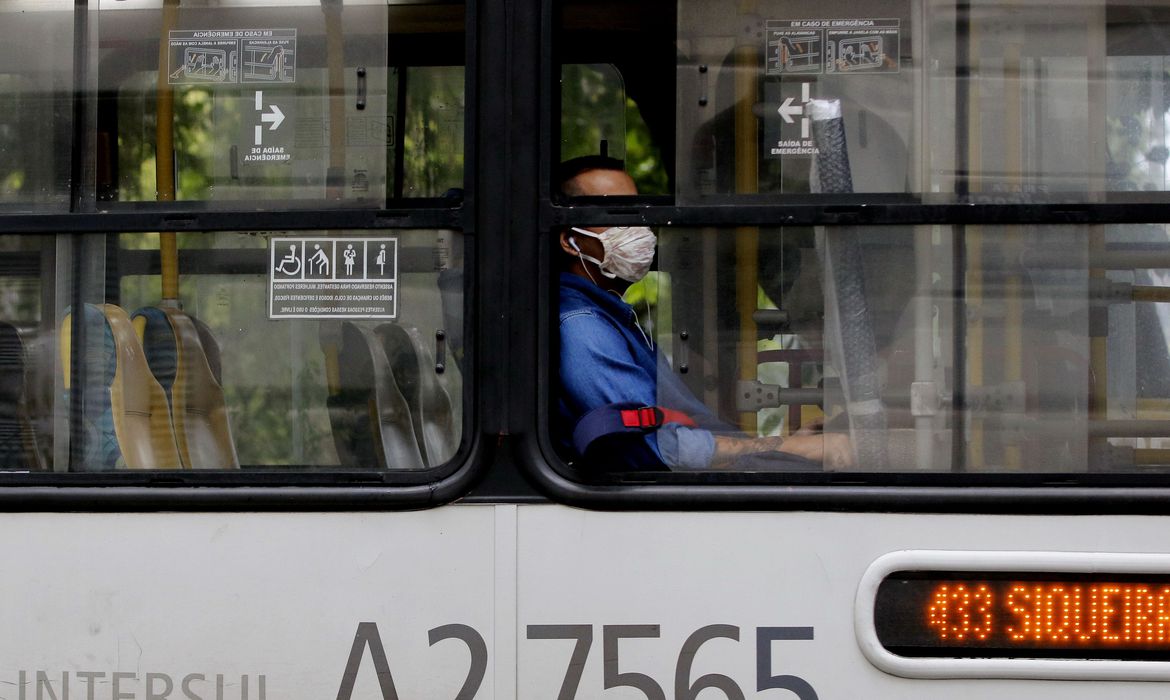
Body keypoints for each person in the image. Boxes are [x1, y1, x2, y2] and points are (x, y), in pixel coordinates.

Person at [555, 156, 853, 470]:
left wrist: (782, 448)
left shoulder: (615, 320)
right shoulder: (582, 328)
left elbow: (690, 432)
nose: (637, 227)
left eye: (637, 212)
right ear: (570, 241)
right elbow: (663, 450)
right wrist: (792, 447)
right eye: (616, 214)